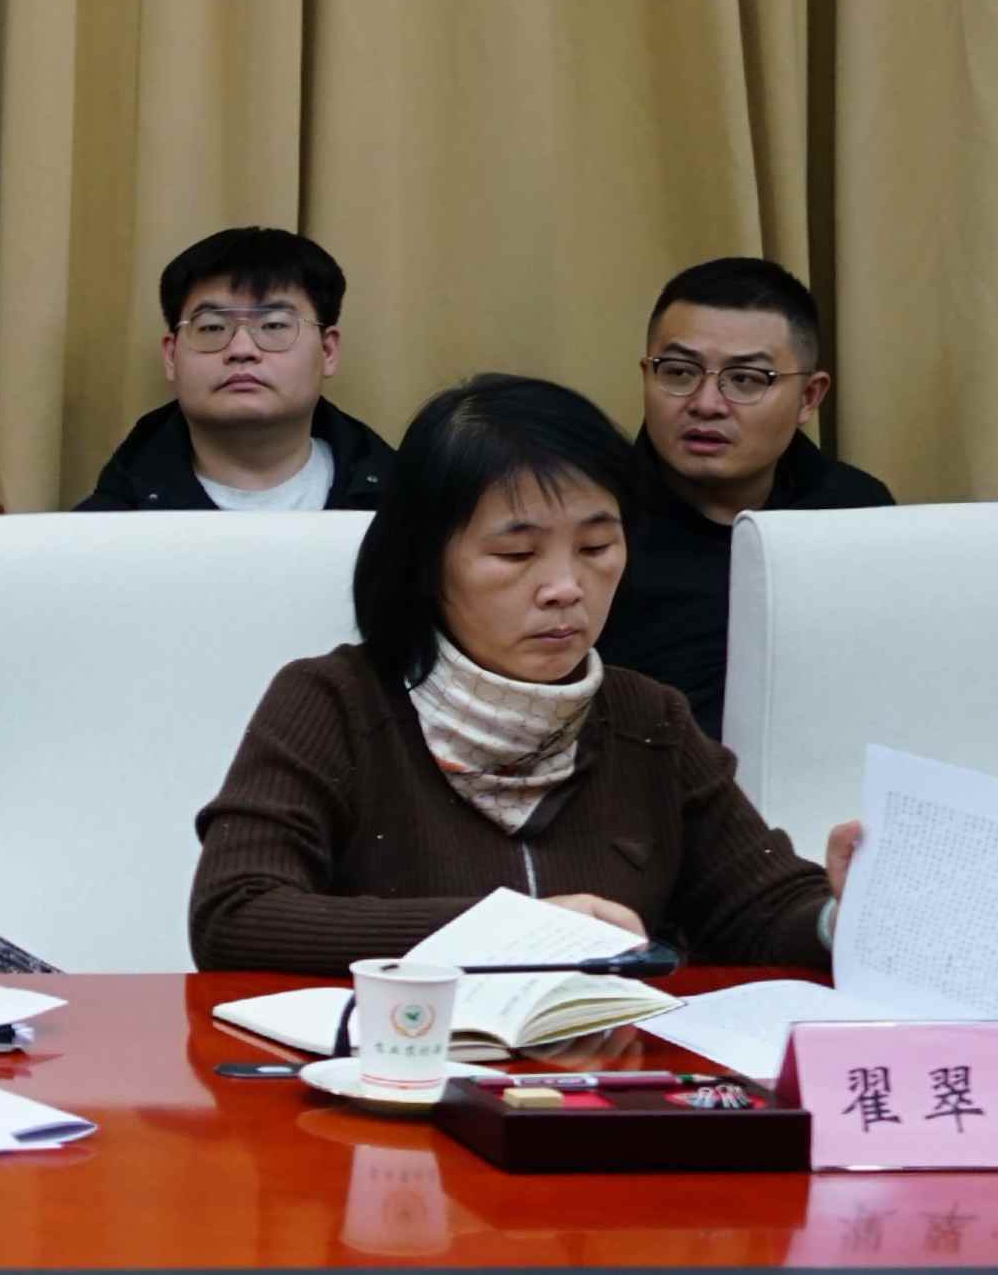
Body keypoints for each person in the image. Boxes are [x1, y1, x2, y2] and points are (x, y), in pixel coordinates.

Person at [192, 375, 859, 973]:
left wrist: (845, 913)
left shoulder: (647, 719)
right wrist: (505, 933)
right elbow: (236, 914)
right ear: (423, 562)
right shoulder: (334, 702)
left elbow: (760, 907)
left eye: (596, 546)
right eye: (516, 554)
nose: (565, 587)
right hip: (402, 1058)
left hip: (604, 1064)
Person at [593, 256, 894, 736]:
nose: (706, 404)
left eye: (746, 379)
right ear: (647, 375)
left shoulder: (856, 512)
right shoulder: (593, 526)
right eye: (678, 372)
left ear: (809, 398)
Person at [78, 226, 391, 514]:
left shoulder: (407, 512)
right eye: (212, 327)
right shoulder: (100, 530)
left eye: (274, 325)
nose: (241, 350)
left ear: (328, 351)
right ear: (171, 357)